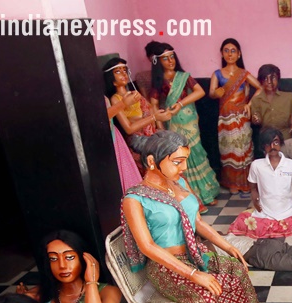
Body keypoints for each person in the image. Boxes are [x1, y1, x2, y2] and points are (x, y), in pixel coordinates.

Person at [122, 131, 292, 303]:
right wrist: (194, 275)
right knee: (204, 293)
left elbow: (198, 223)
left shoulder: (179, 182)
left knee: (235, 269)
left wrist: (228, 246)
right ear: (153, 161)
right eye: (177, 161)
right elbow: (148, 248)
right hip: (166, 268)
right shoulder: (135, 199)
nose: (183, 168)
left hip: (194, 254)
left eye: (185, 161)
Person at [148, 42, 220, 208]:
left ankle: (207, 194)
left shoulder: (184, 76)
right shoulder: (158, 82)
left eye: (172, 57)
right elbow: (154, 105)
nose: (170, 61)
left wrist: (180, 104)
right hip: (172, 122)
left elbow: (200, 92)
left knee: (196, 152)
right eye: (165, 59)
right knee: (181, 156)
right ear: (158, 62)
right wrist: (160, 127)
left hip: (189, 120)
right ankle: (191, 197)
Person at [228, 128, 292, 238]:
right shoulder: (256, 165)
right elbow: (253, 188)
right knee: (242, 221)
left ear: (281, 143)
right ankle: (274, 225)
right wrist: (255, 201)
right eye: (268, 144)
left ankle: (276, 225)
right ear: (263, 146)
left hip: (288, 210)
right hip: (265, 212)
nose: (272, 147)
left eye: (276, 142)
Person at [209, 38, 263, 195]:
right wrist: (215, 93)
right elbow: (212, 93)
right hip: (225, 117)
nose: (230, 54)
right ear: (222, 54)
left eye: (233, 50)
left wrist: (249, 104)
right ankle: (232, 182)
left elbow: (259, 88)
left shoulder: (243, 74)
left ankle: (246, 182)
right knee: (228, 149)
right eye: (226, 50)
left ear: (239, 54)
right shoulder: (217, 74)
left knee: (243, 148)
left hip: (241, 117)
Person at [103, 57, 173, 176]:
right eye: (118, 72)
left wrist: (159, 121)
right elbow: (129, 128)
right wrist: (154, 118)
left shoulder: (135, 94)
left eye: (125, 70)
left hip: (150, 133)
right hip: (137, 138)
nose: (123, 74)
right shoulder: (116, 99)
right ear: (112, 79)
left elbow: (150, 109)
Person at [250, 64, 292, 140]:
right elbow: (256, 119)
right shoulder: (256, 100)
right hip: (266, 138)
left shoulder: (289, 97)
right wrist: (256, 120)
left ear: (278, 79)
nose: (269, 82)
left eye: (273, 78)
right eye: (265, 79)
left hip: (285, 136)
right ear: (261, 80)